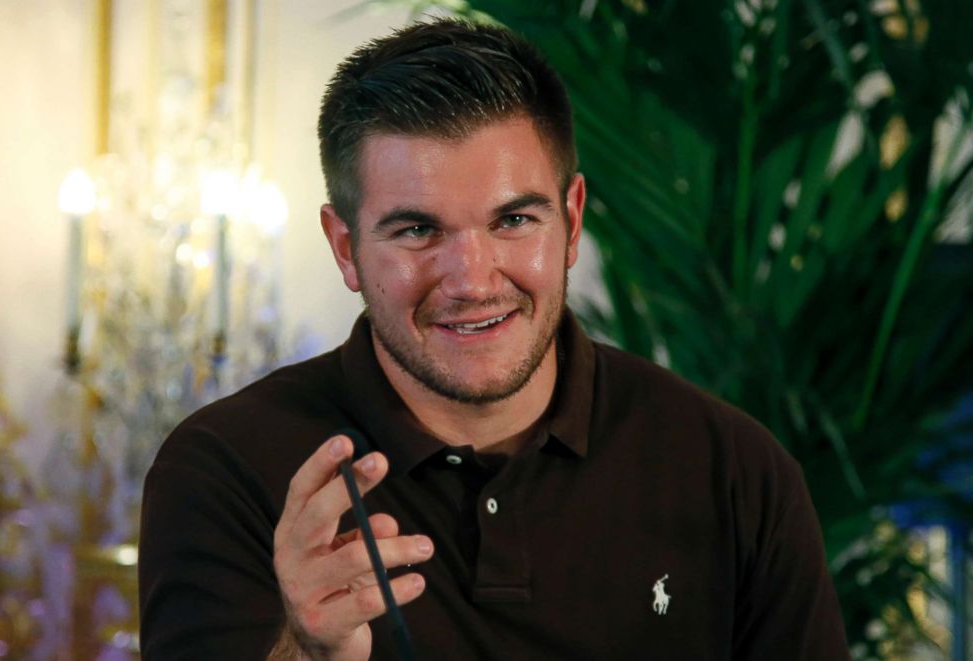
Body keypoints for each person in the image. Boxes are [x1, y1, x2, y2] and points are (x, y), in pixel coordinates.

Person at [138, 19, 851, 660]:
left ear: (571, 222)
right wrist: (308, 650)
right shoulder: (223, 471)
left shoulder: (735, 471)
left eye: (513, 220)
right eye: (418, 229)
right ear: (346, 246)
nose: (473, 280)